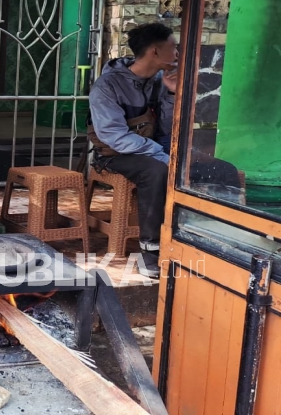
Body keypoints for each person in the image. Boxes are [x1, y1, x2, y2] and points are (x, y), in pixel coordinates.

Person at [88, 22, 240, 278]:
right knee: (157, 171)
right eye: (174, 46)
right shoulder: (107, 85)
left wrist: (171, 95)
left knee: (222, 169)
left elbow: (168, 129)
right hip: (115, 154)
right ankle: (151, 252)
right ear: (155, 51)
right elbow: (114, 137)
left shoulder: (160, 80)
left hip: (156, 146)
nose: (178, 52)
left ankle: (218, 241)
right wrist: (161, 153)